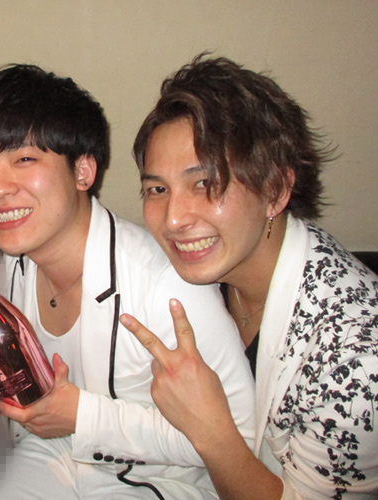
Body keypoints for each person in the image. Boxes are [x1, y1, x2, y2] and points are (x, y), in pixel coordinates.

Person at [0, 63, 256, 499]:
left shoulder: (164, 284)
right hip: (55, 452)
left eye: (23, 159)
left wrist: (83, 416)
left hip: (166, 476)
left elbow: (241, 438)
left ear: (83, 171)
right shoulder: (7, 269)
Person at [123, 54, 378, 500]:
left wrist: (211, 432)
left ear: (275, 190)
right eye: (157, 189)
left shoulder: (357, 355)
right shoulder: (211, 273)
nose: (174, 219)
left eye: (205, 183)